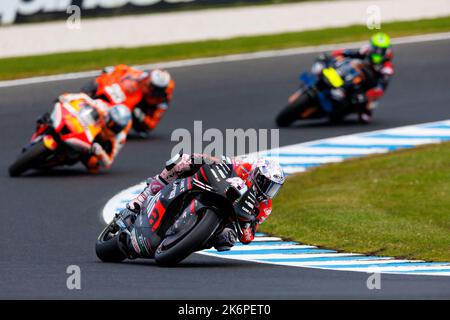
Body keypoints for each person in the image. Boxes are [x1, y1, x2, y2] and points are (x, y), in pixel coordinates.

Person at [125, 153, 285, 253]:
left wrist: (245, 227)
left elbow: (248, 236)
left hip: (227, 216)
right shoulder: (244, 167)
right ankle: (142, 198)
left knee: (227, 240)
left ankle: (185, 240)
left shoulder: (265, 207)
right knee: (182, 162)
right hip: (213, 187)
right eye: (266, 183)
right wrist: (195, 158)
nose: (268, 191)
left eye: (273, 188)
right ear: (256, 175)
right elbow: (216, 160)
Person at [312, 32, 394, 123]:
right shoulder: (366, 50)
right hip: (358, 73)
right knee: (339, 62)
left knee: (365, 115)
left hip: (368, 84)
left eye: (381, 50)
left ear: (386, 50)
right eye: (375, 48)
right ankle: (330, 80)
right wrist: (342, 52)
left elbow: (383, 84)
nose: (377, 52)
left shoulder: (387, 67)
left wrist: (375, 92)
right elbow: (353, 54)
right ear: (372, 46)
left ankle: (365, 110)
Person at [82, 65, 175, 134]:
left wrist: (141, 116)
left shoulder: (162, 99)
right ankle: (84, 98)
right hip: (122, 93)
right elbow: (123, 68)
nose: (150, 87)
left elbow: (151, 124)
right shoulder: (142, 77)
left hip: (140, 109)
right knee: (100, 80)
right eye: (150, 84)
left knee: (132, 115)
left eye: (154, 88)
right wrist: (112, 70)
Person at [56, 93, 132, 173]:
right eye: (110, 121)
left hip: (92, 146)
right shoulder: (103, 107)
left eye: (116, 127)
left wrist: (100, 152)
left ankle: (65, 158)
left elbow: (108, 162)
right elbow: (84, 97)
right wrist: (68, 97)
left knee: (93, 164)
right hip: (85, 125)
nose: (110, 126)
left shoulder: (120, 138)